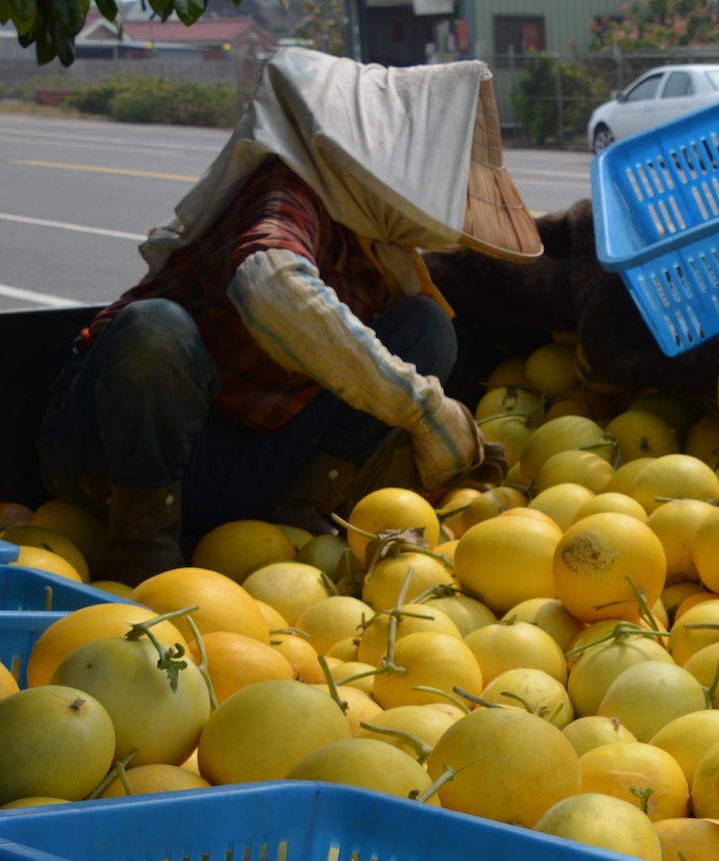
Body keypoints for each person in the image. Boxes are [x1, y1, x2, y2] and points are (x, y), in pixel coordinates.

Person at [37, 49, 542, 584]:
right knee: (154, 329)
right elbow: (269, 282)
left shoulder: (376, 240)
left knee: (424, 327)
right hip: (115, 452)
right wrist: (423, 408)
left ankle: (302, 513)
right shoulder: (287, 190)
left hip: (240, 462)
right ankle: (142, 546)